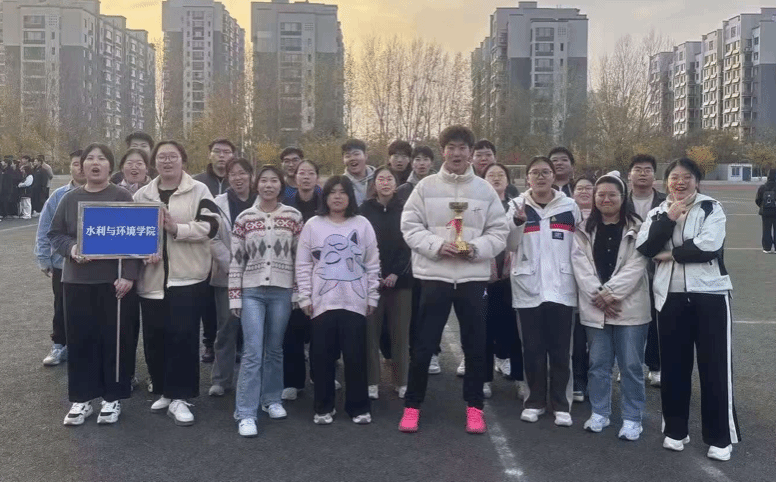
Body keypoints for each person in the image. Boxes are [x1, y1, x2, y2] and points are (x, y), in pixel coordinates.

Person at [399, 125, 509, 434]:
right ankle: (412, 406)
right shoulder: (426, 187)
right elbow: (409, 226)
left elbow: (499, 231)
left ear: (470, 152)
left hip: (472, 278)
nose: (457, 153)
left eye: (462, 148)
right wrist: (436, 245)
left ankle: (474, 408)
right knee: (423, 346)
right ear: (443, 151)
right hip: (434, 276)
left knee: (475, 346)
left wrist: (475, 249)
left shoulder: (484, 190)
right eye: (451, 147)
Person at [636, 158, 740, 461]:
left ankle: (720, 438)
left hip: (710, 295)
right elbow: (646, 248)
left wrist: (670, 255)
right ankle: (676, 431)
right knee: (673, 367)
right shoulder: (657, 212)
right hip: (669, 297)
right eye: (674, 177)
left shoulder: (711, 208)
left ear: (697, 181)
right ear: (666, 181)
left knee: (715, 368)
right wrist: (669, 219)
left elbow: (708, 247)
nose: (680, 183)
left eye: (687, 177)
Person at [48, 144, 140, 426]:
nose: (95, 163)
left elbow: (137, 237)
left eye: (101, 158)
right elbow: (55, 234)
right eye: (90, 158)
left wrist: (129, 275)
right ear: (82, 165)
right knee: (80, 340)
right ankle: (82, 398)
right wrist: (72, 248)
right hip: (77, 281)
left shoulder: (122, 196)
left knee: (114, 341)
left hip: (114, 283)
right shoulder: (70, 198)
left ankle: (113, 397)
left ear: (110, 166)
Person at [133, 141, 219, 426]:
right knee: (155, 338)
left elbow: (211, 226)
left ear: (183, 160)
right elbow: (134, 234)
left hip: (188, 278)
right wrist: (141, 252)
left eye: (173, 156)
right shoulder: (142, 195)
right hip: (152, 279)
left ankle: (181, 397)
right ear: (154, 162)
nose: (167, 161)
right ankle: (165, 390)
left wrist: (176, 228)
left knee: (183, 337)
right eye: (162, 157)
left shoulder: (199, 190)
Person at [572, 172, 650, 441]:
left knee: (631, 366)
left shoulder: (639, 227)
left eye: (612, 194)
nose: (606, 199)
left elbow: (638, 264)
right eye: (601, 194)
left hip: (630, 307)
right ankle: (600, 412)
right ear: (594, 198)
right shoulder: (583, 228)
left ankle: (632, 418)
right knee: (598, 365)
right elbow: (579, 265)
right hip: (595, 307)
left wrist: (612, 294)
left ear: (623, 197)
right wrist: (599, 295)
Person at [296, 175, 380, 426]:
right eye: (332, 192)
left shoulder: (362, 224)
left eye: (343, 192)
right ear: (325, 196)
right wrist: (304, 296)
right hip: (322, 303)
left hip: (355, 302)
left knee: (355, 357)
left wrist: (372, 295)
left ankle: (358, 407)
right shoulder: (313, 225)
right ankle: (323, 407)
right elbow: (303, 264)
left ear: (350, 197)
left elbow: (372, 262)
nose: (337, 197)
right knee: (322, 358)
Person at [229, 165, 304, 437]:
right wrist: (235, 297)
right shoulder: (245, 218)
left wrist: (297, 292)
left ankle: (272, 399)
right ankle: (246, 412)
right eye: (264, 180)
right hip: (251, 291)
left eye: (274, 181)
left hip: (282, 291)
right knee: (252, 352)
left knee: (274, 349)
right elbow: (236, 260)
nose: (268, 185)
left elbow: (300, 258)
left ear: (281, 185)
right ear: (256, 184)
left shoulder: (293, 216)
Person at [507, 156, 582, 426]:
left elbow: (580, 246)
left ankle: (561, 404)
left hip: (562, 287)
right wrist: (517, 223)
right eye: (535, 172)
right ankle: (535, 401)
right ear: (527, 178)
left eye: (546, 172)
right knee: (533, 349)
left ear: (553, 176)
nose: (540, 177)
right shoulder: (516, 206)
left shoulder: (569, 206)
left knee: (561, 351)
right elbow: (509, 245)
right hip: (529, 288)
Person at [360, 166, 412, 400]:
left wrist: (395, 274)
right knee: (370, 333)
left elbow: (409, 244)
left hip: (401, 282)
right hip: (371, 280)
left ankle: (402, 381)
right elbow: (361, 244)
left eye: (389, 179)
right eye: (380, 179)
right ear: (374, 184)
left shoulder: (406, 209)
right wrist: (375, 274)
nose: (385, 183)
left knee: (400, 334)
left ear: (396, 183)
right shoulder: (364, 210)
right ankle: (372, 381)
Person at [207, 158, 258, 399]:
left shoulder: (262, 201)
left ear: (250, 175)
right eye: (233, 174)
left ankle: (255, 380)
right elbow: (212, 237)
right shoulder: (217, 203)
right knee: (226, 328)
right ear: (227, 178)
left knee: (255, 330)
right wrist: (234, 267)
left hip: (258, 275)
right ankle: (221, 379)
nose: (238, 178)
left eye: (242, 173)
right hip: (226, 276)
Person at [37, 151, 86, 366]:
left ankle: (84, 347)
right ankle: (59, 344)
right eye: (76, 164)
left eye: (84, 163)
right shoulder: (58, 196)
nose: (80, 168)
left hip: (97, 264)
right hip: (62, 262)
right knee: (61, 306)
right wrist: (43, 258)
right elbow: (45, 228)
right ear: (70, 167)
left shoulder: (104, 193)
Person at [395, 145, 440, 374]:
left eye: (425, 159)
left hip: (436, 254)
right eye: (418, 159)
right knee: (412, 307)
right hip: (409, 257)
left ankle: (433, 352)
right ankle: (414, 351)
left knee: (433, 308)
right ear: (412, 163)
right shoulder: (403, 190)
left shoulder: (441, 186)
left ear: (432, 162)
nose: (421, 163)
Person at [481, 163, 525, 399]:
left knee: (514, 331)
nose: (496, 178)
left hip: (511, 276)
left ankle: (520, 378)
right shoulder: (477, 206)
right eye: (491, 175)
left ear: (508, 181)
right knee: (484, 331)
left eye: (501, 175)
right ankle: (484, 378)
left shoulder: (516, 206)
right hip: (483, 277)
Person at [282, 160, 323, 401]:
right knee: (293, 329)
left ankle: (321, 374)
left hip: (322, 276)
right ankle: (293, 381)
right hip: (292, 274)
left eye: (310, 173)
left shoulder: (326, 204)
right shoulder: (285, 206)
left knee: (321, 330)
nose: (306, 177)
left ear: (317, 178)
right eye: (301, 173)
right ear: (295, 177)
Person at [626, 154, 666, 388]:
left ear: (654, 175)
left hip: (657, 268)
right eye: (638, 169)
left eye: (648, 169)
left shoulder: (665, 202)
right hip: (626, 269)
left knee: (656, 320)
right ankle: (629, 366)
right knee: (628, 321)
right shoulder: (621, 201)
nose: (643, 173)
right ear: (629, 174)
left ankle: (655, 366)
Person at [194, 138, 236, 363]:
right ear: (209, 155)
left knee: (232, 301)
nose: (222, 155)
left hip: (229, 250)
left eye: (227, 152)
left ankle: (234, 344)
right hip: (202, 251)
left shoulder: (238, 179)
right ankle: (209, 343)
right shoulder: (198, 182)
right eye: (217, 151)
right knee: (207, 302)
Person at [569, 173, 596, 402]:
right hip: (574, 284)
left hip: (600, 284)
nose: (585, 191)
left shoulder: (604, 216)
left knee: (597, 341)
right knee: (577, 338)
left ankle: (596, 381)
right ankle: (577, 379)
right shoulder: (567, 216)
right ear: (572, 193)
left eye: (589, 187)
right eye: (580, 188)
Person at [342, 139, 375, 206]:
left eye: (356, 154)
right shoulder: (341, 182)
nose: (352, 158)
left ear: (365, 156)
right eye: (347, 156)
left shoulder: (379, 178)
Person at [755, 169, 776, 253]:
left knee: (766, 230)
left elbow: (757, 200)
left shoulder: (763, 187)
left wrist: (763, 206)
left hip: (766, 212)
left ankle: (767, 248)